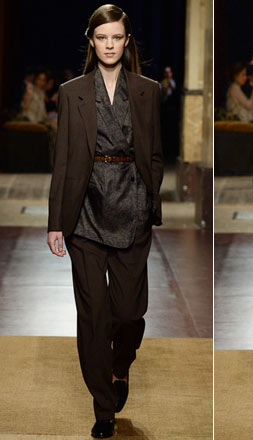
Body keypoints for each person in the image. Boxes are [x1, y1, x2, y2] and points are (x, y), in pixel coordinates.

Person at [46, 5, 163, 438]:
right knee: (94, 314)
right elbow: (62, 161)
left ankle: (120, 365)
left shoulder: (148, 90)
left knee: (129, 313)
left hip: (132, 206)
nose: (109, 45)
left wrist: (149, 199)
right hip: (86, 211)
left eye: (116, 38)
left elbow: (155, 153)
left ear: (127, 41)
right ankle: (103, 407)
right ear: (91, 41)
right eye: (102, 38)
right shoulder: (72, 92)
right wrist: (56, 221)